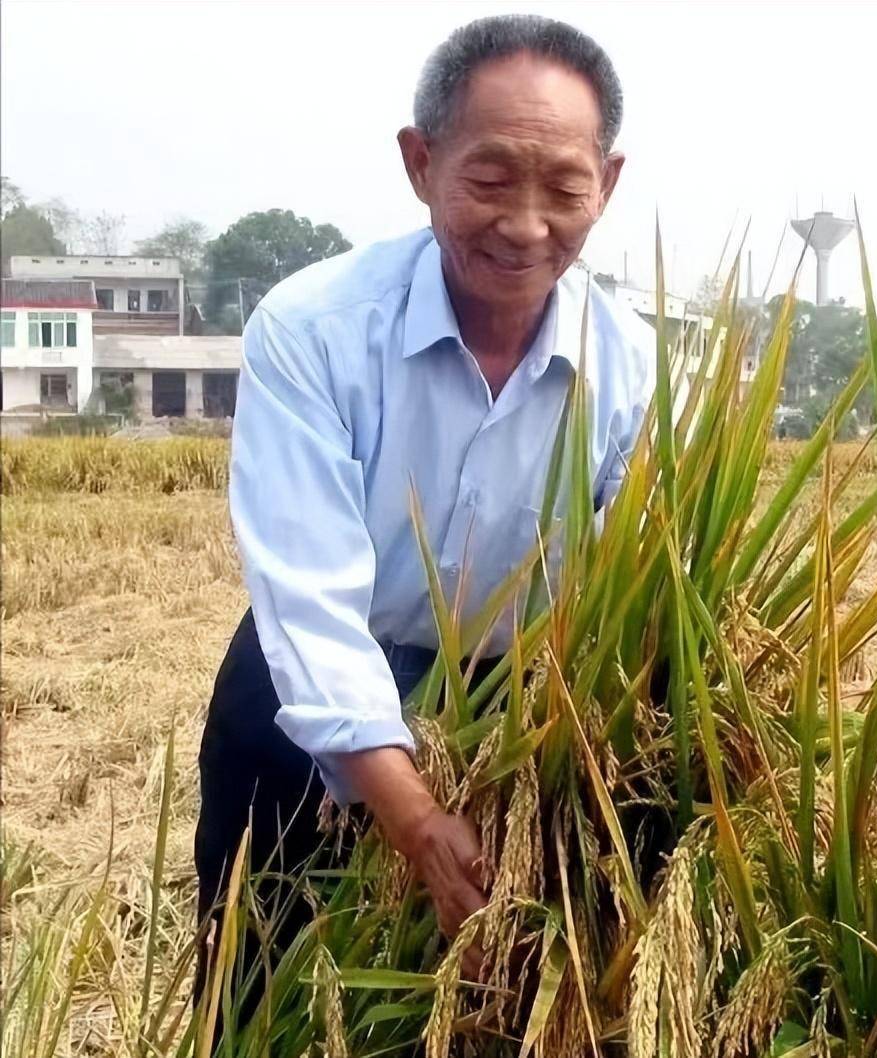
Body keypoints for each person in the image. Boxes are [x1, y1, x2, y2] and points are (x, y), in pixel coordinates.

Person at [194, 13, 652, 989]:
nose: (526, 224)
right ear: (420, 163)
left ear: (607, 185)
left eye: (565, 188)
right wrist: (416, 818)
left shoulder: (636, 369)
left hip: (522, 704)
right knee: (259, 980)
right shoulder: (313, 331)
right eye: (490, 180)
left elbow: (644, 602)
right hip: (306, 685)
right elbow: (309, 604)